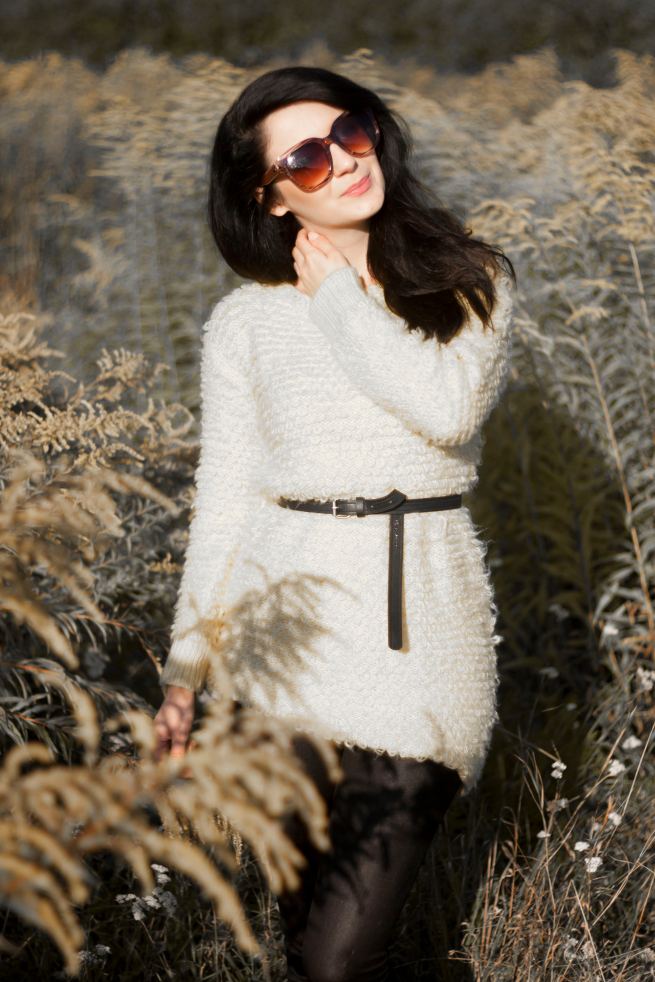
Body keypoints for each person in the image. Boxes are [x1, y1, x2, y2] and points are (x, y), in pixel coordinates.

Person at [153, 66, 515, 982]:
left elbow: (447, 412)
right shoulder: (244, 324)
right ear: (268, 197)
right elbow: (224, 499)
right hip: (280, 646)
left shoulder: (467, 279)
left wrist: (341, 302)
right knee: (309, 943)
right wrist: (187, 671)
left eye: (350, 133)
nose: (345, 161)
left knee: (335, 961)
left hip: (416, 640)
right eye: (306, 158)